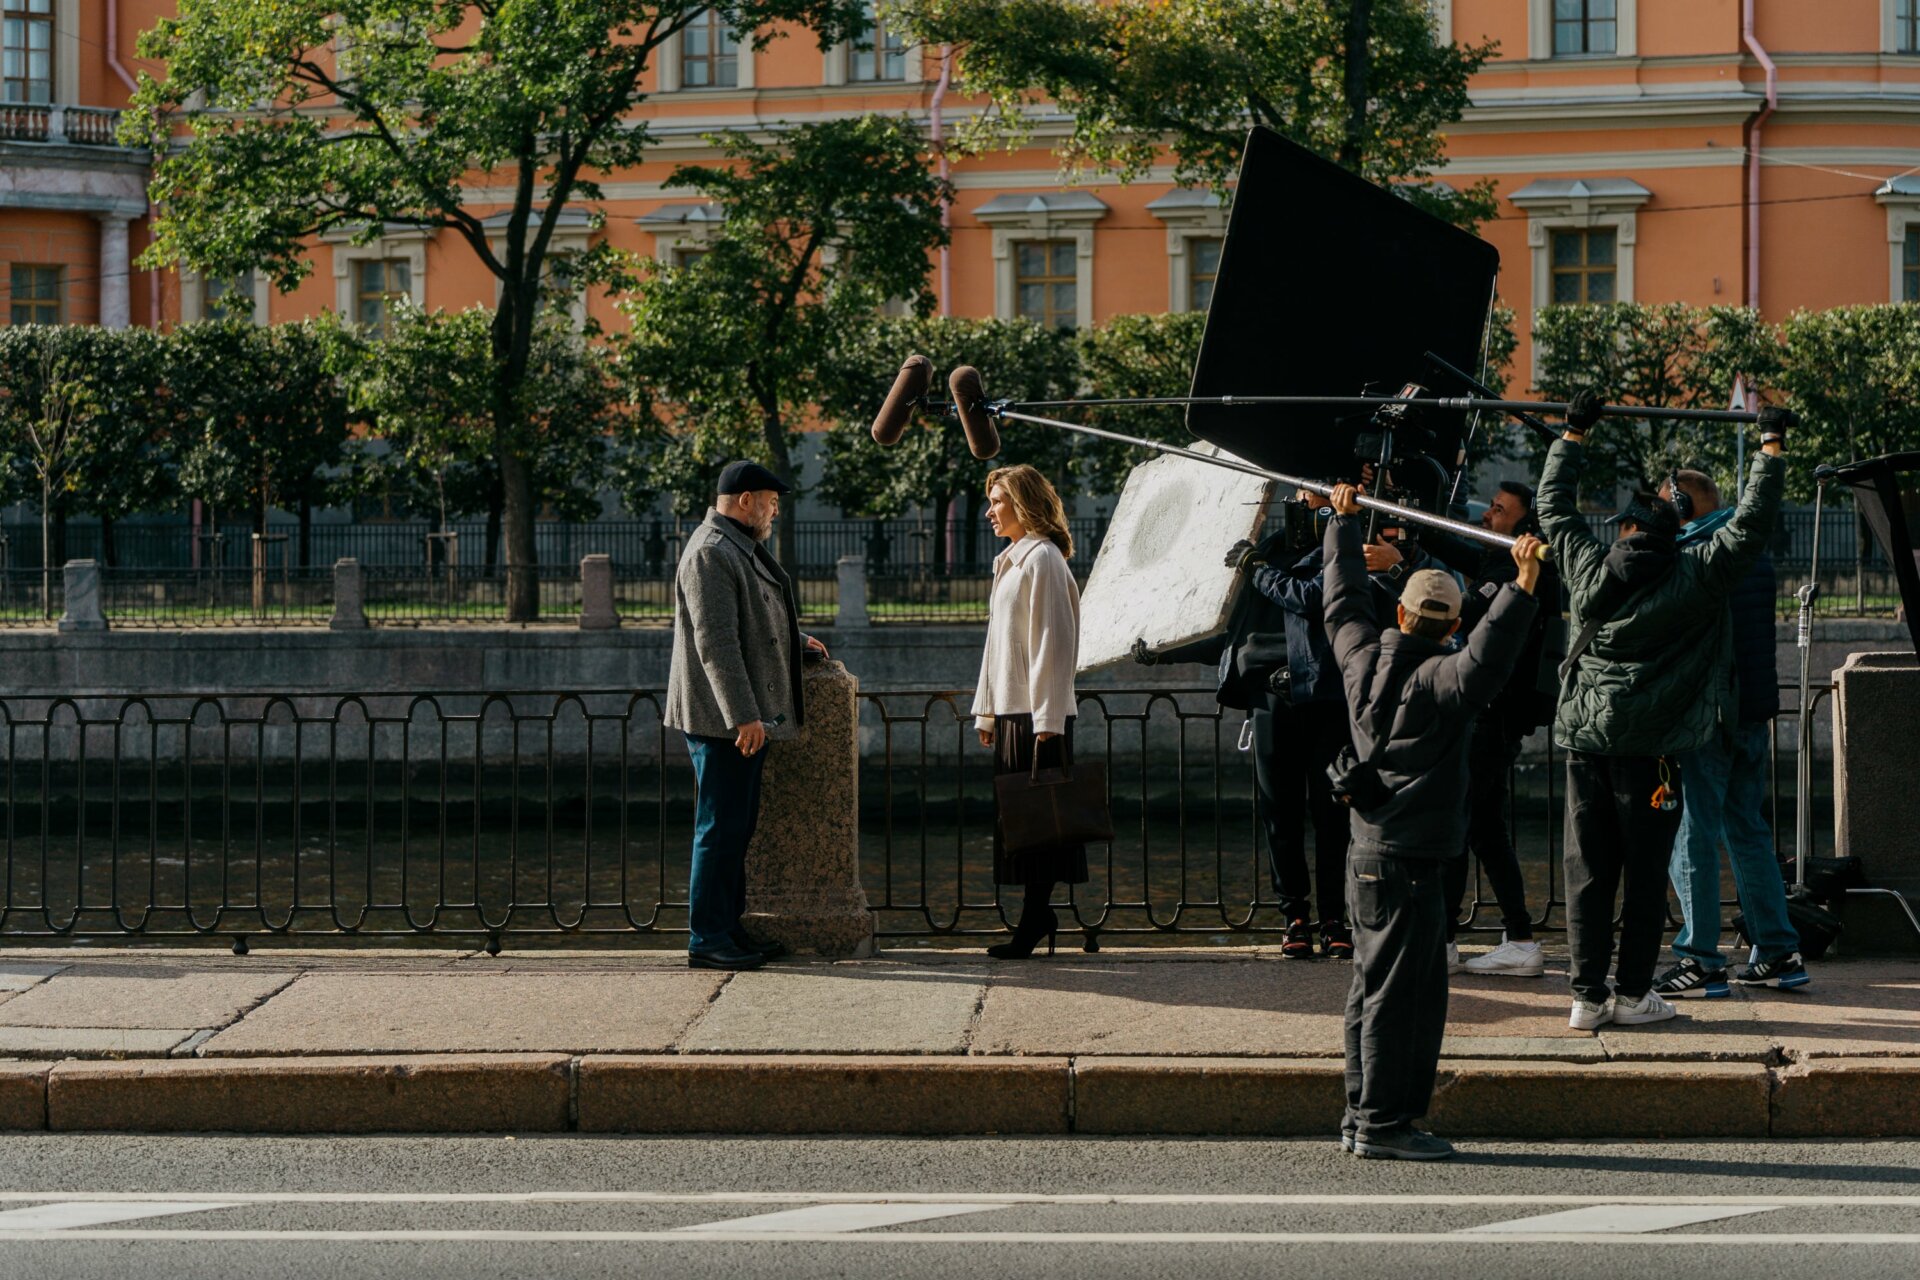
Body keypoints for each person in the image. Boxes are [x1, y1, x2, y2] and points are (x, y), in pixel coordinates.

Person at [1538, 393, 1788, 1031]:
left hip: (1586, 743)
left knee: (1587, 870)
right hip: (1653, 752)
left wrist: (1573, 434)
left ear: (1623, 529)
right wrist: (1769, 450)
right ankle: (1632, 993)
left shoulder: (1585, 565)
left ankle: (1585, 996)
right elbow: (1751, 524)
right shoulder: (1695, 575)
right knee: (1646, 874)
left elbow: (1553, 506)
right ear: (1675, 529)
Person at [1322, 481, 1543, 1161]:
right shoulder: (1443, 681)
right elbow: (1491, 654)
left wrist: (1341, 525)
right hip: (1415, 860)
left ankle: (1360, 1114)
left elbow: (1341, 602)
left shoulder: (1360, 659)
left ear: (1401, 611)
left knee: (1369, 987)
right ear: (1451, 626)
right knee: (1405, 997)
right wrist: (1523, 584)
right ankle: (1384, 1124)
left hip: (1366, 853)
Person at [664, 460, 829, 971]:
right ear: (745, 501)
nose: (775, 512)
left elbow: (750, 617)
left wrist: (798, 641)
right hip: (722, 722)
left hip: (734, 719)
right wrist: (743, 716)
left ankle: (728, 927)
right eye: (771, 503)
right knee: (719, 828)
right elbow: (716, 642)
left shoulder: (734, 546)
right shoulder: (711, 552)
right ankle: (707, 937)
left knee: (735, 826)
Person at [1655, 469, 1809, 997]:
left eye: (1666, 507)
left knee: (1692, 832)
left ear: (1683, 505)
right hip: (1752, 712)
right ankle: (1778, 950)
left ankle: (1700, 957)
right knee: (1747, 830)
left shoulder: (1697, 553)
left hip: (1707, 716)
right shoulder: (1753, 552)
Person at [1415, 481, 1562, 977]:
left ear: (1524, 526)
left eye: (1499, 511)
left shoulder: (1515, 572)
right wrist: (1415, 521)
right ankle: (1515, 938)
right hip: (1493, 718)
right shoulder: (1497, 560)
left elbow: (1462, 614)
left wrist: (1396, 570)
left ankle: (1450, 940)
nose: (1487, 516)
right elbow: (1449, 542)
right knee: (1482, 828)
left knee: (1462, 825)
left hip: (1492, 718)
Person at [973, 463, 1088, 960]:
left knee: (1039, 824)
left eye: (997, 501)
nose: (990, 511)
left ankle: (1034, 920)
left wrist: (1048, 721)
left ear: (1023, 503)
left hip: (1037, 715)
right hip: (1016, 711)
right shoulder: (1013, 560)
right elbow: (996, 645)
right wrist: (987, 713)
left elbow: (1052, 644)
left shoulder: (1042, 559)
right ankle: (1036, 917)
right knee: (1024, 823)